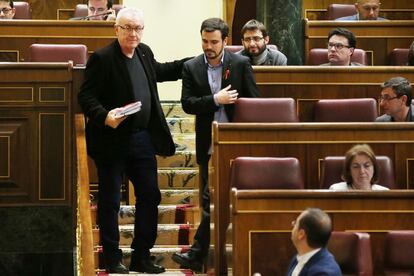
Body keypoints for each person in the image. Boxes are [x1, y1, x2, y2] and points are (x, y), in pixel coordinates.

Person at [78, 7, 189, 274]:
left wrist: (197, 61)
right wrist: (105, 116)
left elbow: (161, 71)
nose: (133, 33)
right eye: (127, 27)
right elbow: (86, 96)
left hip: (141, 140)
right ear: (116, 29)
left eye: (138, 28)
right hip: (112, 140)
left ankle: (142, 256)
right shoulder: (103, 58)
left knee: (150, 195)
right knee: (110, 201)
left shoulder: (144, 52)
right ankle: (113, 258)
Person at [171, 17, 260, 272]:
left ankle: (201, 254)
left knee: (219, 200)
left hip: (236, 143)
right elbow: (188, 103)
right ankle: (204, 255)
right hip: (208, 144)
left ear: (225, 41)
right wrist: (215, 99)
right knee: (210, 199)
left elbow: (254, 103)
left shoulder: (241, 64)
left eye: (213, 42)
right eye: (204, 41)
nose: (208, 46)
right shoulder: (191, 67)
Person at [287, 208, 341, 276]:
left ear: (301, 234)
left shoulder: (324, 273)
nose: (293, 226)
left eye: (295, 224)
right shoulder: (298, 258)